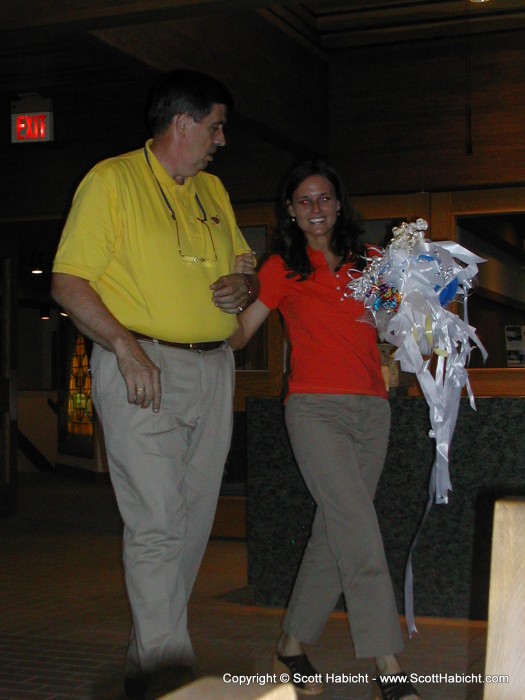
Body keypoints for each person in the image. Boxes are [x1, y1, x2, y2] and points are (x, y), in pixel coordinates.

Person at [51, 69, 258, 699]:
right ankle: (174, 677)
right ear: (184, 124)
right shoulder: (111, 181)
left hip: (212, 369)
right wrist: (124, 346)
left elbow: (244, 265)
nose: (222, 139)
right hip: (142, 370)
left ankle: (150, 664)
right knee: (158, 527)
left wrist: (243, 284)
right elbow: (68, 282)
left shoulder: (213, 191)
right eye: (216, 126)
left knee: (192, 525)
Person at [229, 160, 421, 700]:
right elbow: (239, 336)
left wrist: (418, 296)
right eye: (304, 200)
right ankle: (388, 665)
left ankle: (290, 648)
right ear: (290, 210)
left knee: (334, 532)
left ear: (339, 205)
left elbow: (392, 327)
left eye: (324, 198)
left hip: (371, 410)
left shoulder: (372, 263)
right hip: (314, 411)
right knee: (359, 529)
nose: (315, 208)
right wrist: (220, 290)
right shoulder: (280, 269)